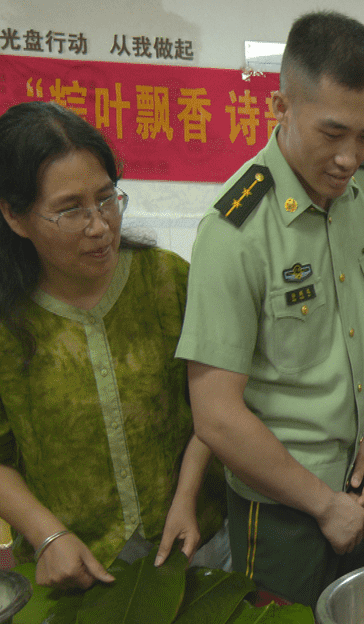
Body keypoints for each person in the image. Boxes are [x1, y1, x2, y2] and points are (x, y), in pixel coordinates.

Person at [177, 11, 364, 606]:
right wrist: (324, 505)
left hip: (353, 489)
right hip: (278, 513)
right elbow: (216, 416)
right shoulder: (235, 229)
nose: (349, 157)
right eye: (332, 134)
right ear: (281, 108)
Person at [0, 102, 225, 589]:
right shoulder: (7, 320)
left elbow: (216, 405)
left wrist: (187, 496)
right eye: (70, 210)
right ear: (16, 217)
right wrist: (48, 536)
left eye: (106, 199)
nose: (99, 225)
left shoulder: (168, 282)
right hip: (71, 570)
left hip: (197, 547)